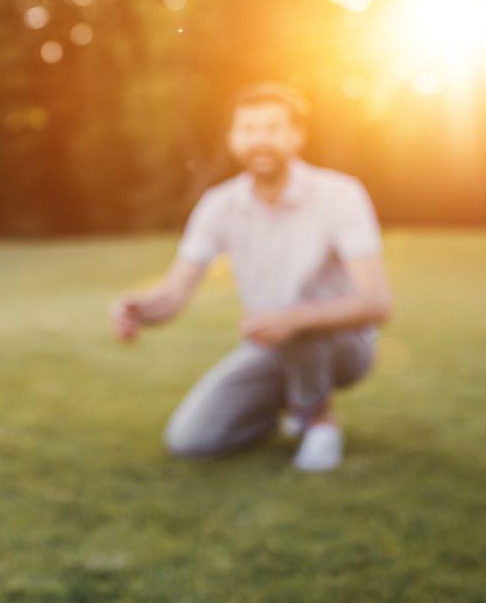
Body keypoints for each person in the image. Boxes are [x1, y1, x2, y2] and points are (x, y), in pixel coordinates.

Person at [110, 82, 391, 471]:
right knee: (190, 440)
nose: (260, 140)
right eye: (248, 129)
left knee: (297, 318)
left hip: (344, 347)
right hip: (270, 347)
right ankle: (288, 403)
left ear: (296, 136)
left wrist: (295, 318)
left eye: (272, 128)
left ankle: (318, 419)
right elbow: (174, 295)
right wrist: (140, 309)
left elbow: (377, 303)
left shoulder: (340, 195)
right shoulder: (219, 206)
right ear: (232, 139)